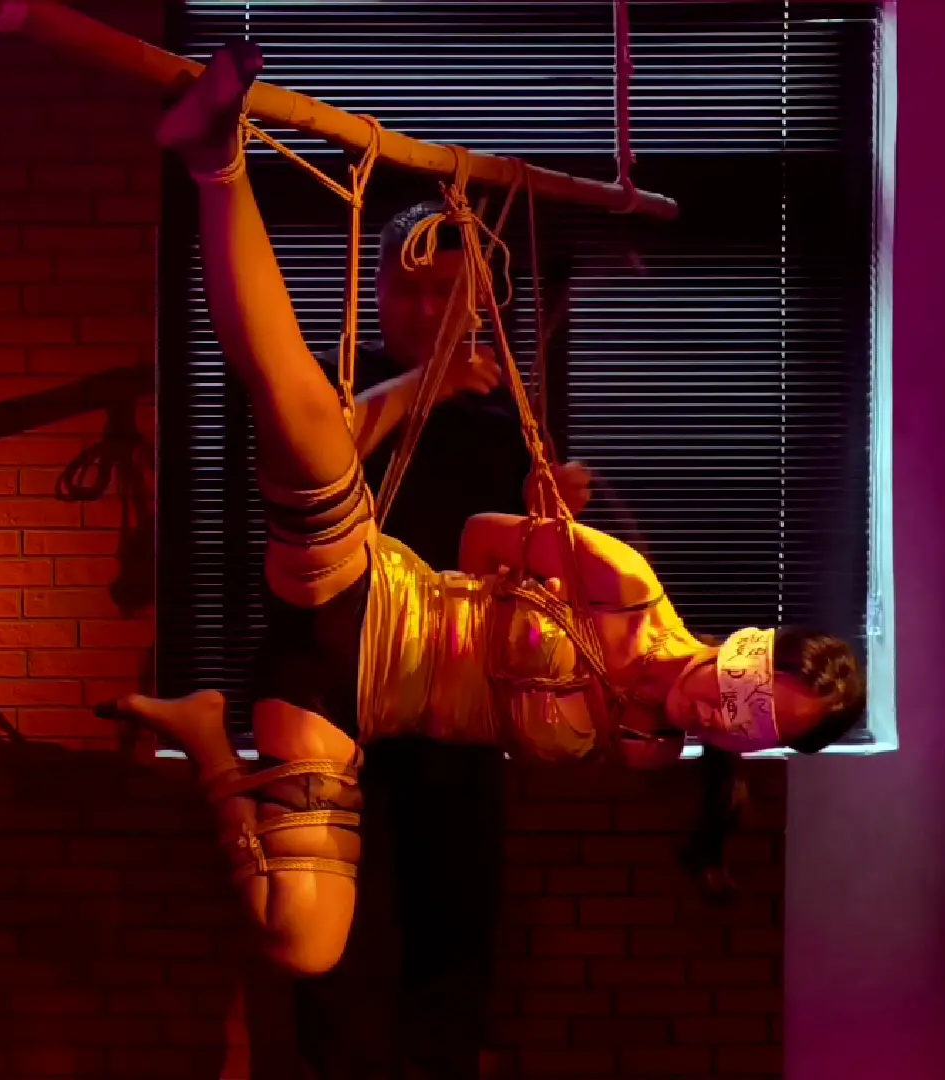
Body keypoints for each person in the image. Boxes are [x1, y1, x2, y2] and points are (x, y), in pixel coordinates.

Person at [100, 38, 867, 979]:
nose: (724, 708)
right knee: (295, 411)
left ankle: (207, 733)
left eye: (750, 725)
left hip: (342, 706)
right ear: (748, 646)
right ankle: (216, 157)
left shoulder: (651, 746)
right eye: (745, 690)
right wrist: (540, 539)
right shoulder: (625, 587)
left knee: (303, 941)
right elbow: (472, 539)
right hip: (369, 598)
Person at [278, 196, 568, 1080]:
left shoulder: (501, 409)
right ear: (375, 289)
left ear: (477, 300)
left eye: (446, 292)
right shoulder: (335, 386)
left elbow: (518, 564)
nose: (426, 309)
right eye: (408, 291)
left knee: (454, 916)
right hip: (346, 691)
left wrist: (551, 514)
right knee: (331, 918)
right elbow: (314, 457)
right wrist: (422, 386)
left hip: (456, 696)